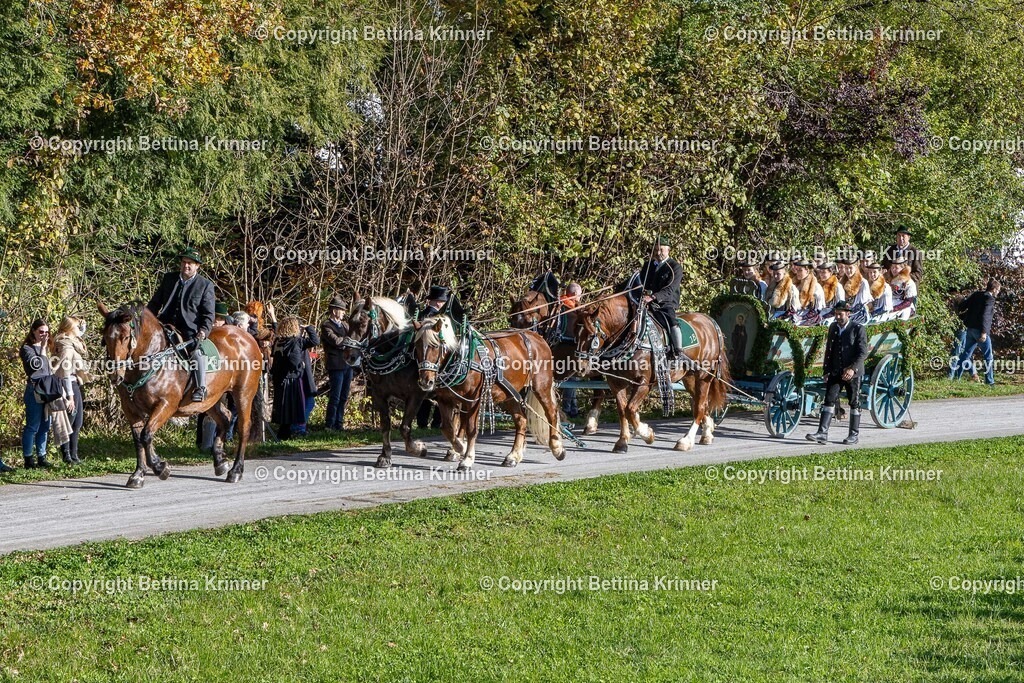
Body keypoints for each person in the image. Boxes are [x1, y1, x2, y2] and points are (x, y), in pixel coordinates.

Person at [146, 248, 216, 403]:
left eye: (190, 263)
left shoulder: (205, 285)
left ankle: (200, 387)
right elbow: (155, 303)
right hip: (165, 326)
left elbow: (208, 315)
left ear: (197, 266)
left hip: (189, 331)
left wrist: (203, 331)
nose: (186, 265)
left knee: (197, 353)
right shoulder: (169, 279)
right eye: (184, 262)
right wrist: (145, 319)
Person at [806, 301, 869, 445]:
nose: (838, 317)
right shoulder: (833, 327)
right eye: (836, 314)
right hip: (835, 371)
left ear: (848, 314)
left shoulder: (858, 329)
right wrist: (826, 370)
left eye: (840, 314)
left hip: (853, 373)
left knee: (854, 402)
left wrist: (852, 369)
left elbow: (863, 353)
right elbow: (829, 350)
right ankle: (822, 433)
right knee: (828, 400)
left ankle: (853, 435)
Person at [52, 316, 93, 465]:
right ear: (69, 329)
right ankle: (67, 455)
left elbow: (79, 336)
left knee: (77, 422)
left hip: (75, 384)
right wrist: (69, 397)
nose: (79, 330)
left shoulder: (70, 341)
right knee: (69, 421)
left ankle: (74, 454)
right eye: (76, 327)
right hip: (68, 386)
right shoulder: (66, 347)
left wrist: (82, 326)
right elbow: (65, 373)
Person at [270, 316, 320, 439]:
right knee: (291, 408)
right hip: (291, 379)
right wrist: (309, 328)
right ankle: (288, 433)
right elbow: (314, 341)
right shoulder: (295, 341)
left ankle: (284, 433)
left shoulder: (278, 341)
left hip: (280, 379)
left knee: (284, 408)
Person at [639, 237, 685, 357]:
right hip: (646, 302)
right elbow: (640, 282)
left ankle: (678, 352)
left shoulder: (675, 267)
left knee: (671, 320)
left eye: (661, 250)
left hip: (666, 302)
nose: (658, 253)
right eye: (655, 250)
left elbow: (670, 289)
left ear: (668, 249)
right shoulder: (648, 266)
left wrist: (653, 297)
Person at [953, 278, 1000, 385]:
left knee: (965, 354)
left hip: (970, 329)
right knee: (988, 357)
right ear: (993, 289)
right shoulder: (989, 299)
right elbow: (986, 316)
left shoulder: (977, 294)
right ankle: (990, 381)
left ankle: (956, 377)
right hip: (980, 331)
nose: (998, 292)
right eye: (997, 290)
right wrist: (984, 332)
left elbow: (963, 305)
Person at [20, 319, 54, 468]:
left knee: (45, 426)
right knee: (32, 426)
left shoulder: (44, 348)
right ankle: (28, 459)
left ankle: (42, 456)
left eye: (46, 332)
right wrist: (42, 350)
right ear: (33, 331)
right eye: (41, 331)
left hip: (46, 391)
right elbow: (35, 365)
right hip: (34, 390)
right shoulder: (27, 348)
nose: (44, 335)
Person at [320, 295, 353, 431]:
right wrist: (348, 340)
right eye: (342, 310)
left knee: (344, 396)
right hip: (336, 365)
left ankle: (339, 424)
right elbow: (337, 342)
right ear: (334, 311)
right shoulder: (326, 325)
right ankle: (330, 424)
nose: (344, 312)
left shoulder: (345, 325)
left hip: (347, 364)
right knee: (335, 396)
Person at [560, 283, 583, 417]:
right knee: (571, 378)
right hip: (568, 345)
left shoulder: (560, 303)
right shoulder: (570, 308)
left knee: (572, 378)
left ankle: (573, 407)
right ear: (575, 295)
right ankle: (568, 408)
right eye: (579, 295)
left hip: (564, 344)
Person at [885, 255, 918, 319]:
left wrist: (894, 309)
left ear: (903, 269)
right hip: (889, 304)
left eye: (896, 268)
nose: (893, 270)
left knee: (905, 311)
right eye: (892, 267)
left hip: (903, 306)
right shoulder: (887, 278)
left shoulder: (909, 282)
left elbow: (908, 302)